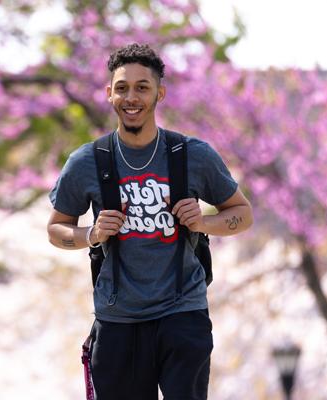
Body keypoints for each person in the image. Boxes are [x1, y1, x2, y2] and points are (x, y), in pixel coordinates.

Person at [47, 43, 253, 399]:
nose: (132, 97)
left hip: (183, 314)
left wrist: (203, 222)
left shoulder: (193, 155)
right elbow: (56, 229)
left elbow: (243, 214)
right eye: (123, 87)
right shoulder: (87, 162)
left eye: (142, 87)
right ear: (109, 93)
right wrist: (93, 233)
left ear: (160, 93)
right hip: (117, 320)